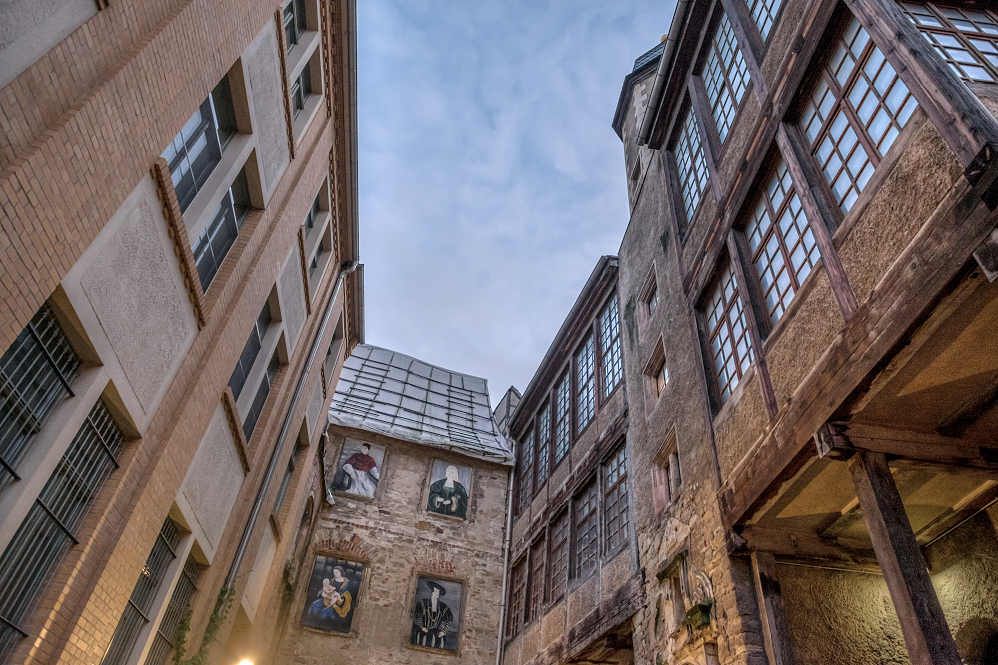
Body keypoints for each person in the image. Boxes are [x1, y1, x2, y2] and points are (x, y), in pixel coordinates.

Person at [410, 581, 454, 649]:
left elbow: (449, 620)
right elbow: (417, 616)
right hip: (423, 631)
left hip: (435, 633)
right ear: (432, 592)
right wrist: (422, 627)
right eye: (436, 592)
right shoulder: (423, 603)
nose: (437, 594)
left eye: (438, 593)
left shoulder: (443, 606)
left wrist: (443, 631)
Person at [308, 566, 353, 632]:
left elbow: (346, 593)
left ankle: (322, 627)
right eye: (334, 573)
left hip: (337, 601)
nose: (335, 574)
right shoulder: (332, 580)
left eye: (337, 572)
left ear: (341, 572)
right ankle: (311, 622)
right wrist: (324, 594)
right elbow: (325, 587)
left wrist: (336, 598)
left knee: (325, 611)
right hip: (327, 598)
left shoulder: (346, 582)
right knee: (315, 604)